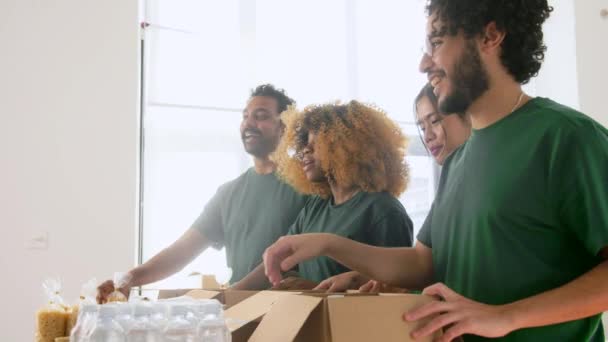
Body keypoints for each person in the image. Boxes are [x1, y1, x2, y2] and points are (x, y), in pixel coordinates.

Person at [262, 1, 608, 341]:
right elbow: (422, 262)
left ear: (490, 36)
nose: (424, 63)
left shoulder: (567, 138)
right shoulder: (459, 160)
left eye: (437, 42)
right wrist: (327, 243)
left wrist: (505, 317)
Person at [97, 84, 309, 303]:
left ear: (284, 126)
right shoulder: (229, 193)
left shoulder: (306, 184)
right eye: (245, 116)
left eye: (261, 116)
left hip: (290, 311)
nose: (249, 123)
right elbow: (182, 250)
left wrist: (225, 299)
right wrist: (129, 279)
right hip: (238, 314)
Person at [232, 100, 414, 290]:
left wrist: (311, 289)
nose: (305, 151)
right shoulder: (315, 206)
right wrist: (226, 298)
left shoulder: (382, 210)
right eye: (304, 145)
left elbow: (396, 289)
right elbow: (279, 260)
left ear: (346, 146)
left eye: (315, 144)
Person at [316, 83, 471, 292]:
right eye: (422, 127)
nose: (427, 136)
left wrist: (328, 245)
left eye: (434, 121)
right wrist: (363, 278)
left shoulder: (384, 209)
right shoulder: (449, 185)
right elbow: (424, 265)